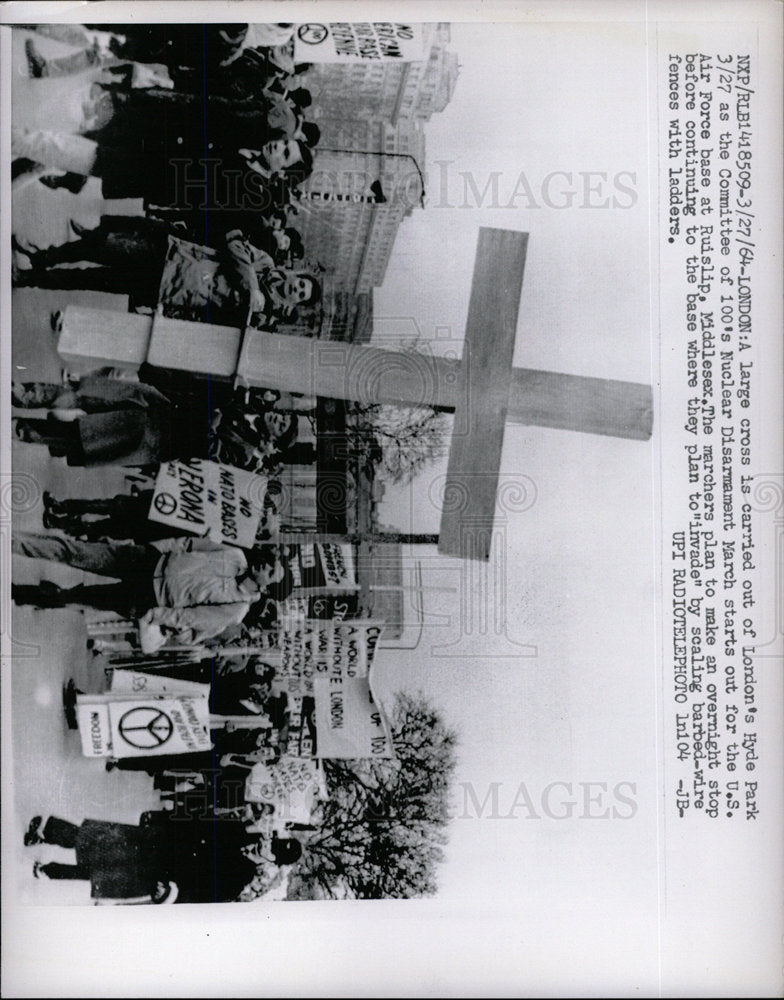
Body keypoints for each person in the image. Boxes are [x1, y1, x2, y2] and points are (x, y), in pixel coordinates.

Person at [11, 533, 292, 650]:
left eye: (270, 571)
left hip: (147, 599)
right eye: (269, 562)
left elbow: (190, 620)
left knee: (82, 598)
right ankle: (13, 541)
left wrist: (155, 614)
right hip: (145, 561)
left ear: (267, 587)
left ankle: (32, 595)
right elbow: (189, 544)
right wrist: (158, 548)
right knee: (76, 552)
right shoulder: (236, 556)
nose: (265, 564)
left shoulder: (237, 609)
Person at [12, 373, 209, 468]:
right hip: (155, 411)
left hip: (153, 437)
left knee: (82, 436)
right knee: (87, 397)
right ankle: (27, 400)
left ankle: (24, 424)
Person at [23, 814, 178, 903]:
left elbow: (125, 898)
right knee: (88, 838)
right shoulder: (158, 868)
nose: (158, 889)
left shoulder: (144, 889)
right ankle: (44, 834)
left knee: (83, 870)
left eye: (159, 894)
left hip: (114, 874)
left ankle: (44, 869)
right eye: (162, 889)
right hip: (124, 853)